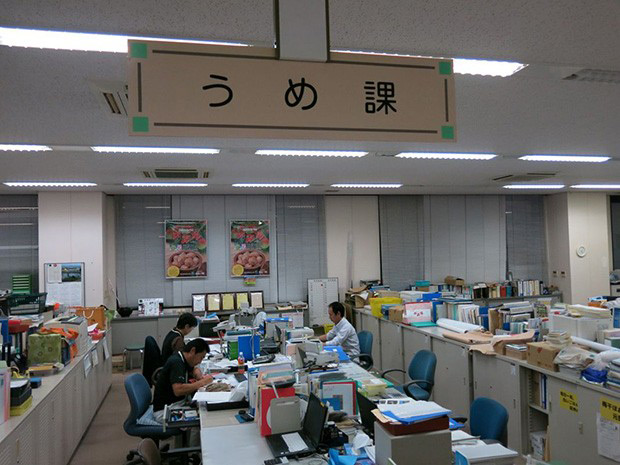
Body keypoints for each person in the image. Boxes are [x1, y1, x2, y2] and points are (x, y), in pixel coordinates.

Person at [152, 338, 213, 423]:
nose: (200, 361)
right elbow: (178, 390)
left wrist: (196, 370)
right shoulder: (176, 363)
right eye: (201, 357)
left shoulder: (182, 357)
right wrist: (202, 382)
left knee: (200, 407)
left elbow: (193, 368)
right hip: (165, 411)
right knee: (202, 419)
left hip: (174, 404)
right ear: (193, 351)